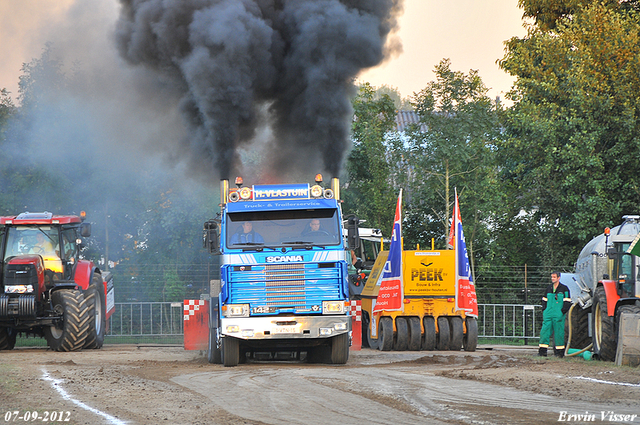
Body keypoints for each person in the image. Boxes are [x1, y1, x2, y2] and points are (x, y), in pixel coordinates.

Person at [538, 271, 572, 357]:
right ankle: (542, 352)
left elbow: (568, 301)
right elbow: (544, 300)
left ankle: (559, 353)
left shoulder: (564, 288)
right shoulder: (548, 288)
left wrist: (562, 312)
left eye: (554, 277)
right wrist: (544, 310)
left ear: (558, 278)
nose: (552, 278)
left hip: (558, 315)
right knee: (544, 332)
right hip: (548, 314)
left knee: (559, 333)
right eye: (552, 277)